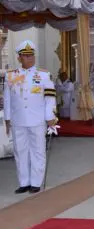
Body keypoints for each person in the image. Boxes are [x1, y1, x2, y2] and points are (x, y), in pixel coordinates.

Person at [3, 40, 57, 194]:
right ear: (19, 58)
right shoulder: (11, 76)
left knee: (38, 150)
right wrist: (7, 119)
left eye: (31, 55)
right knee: (20, 151)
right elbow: (7, 98)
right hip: (18, 119)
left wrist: (50, 117)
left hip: (37, 119)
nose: (30, 58)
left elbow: (50, 98)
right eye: (26, 56)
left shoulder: (43, 75)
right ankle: (24, 182)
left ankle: (36, 182)